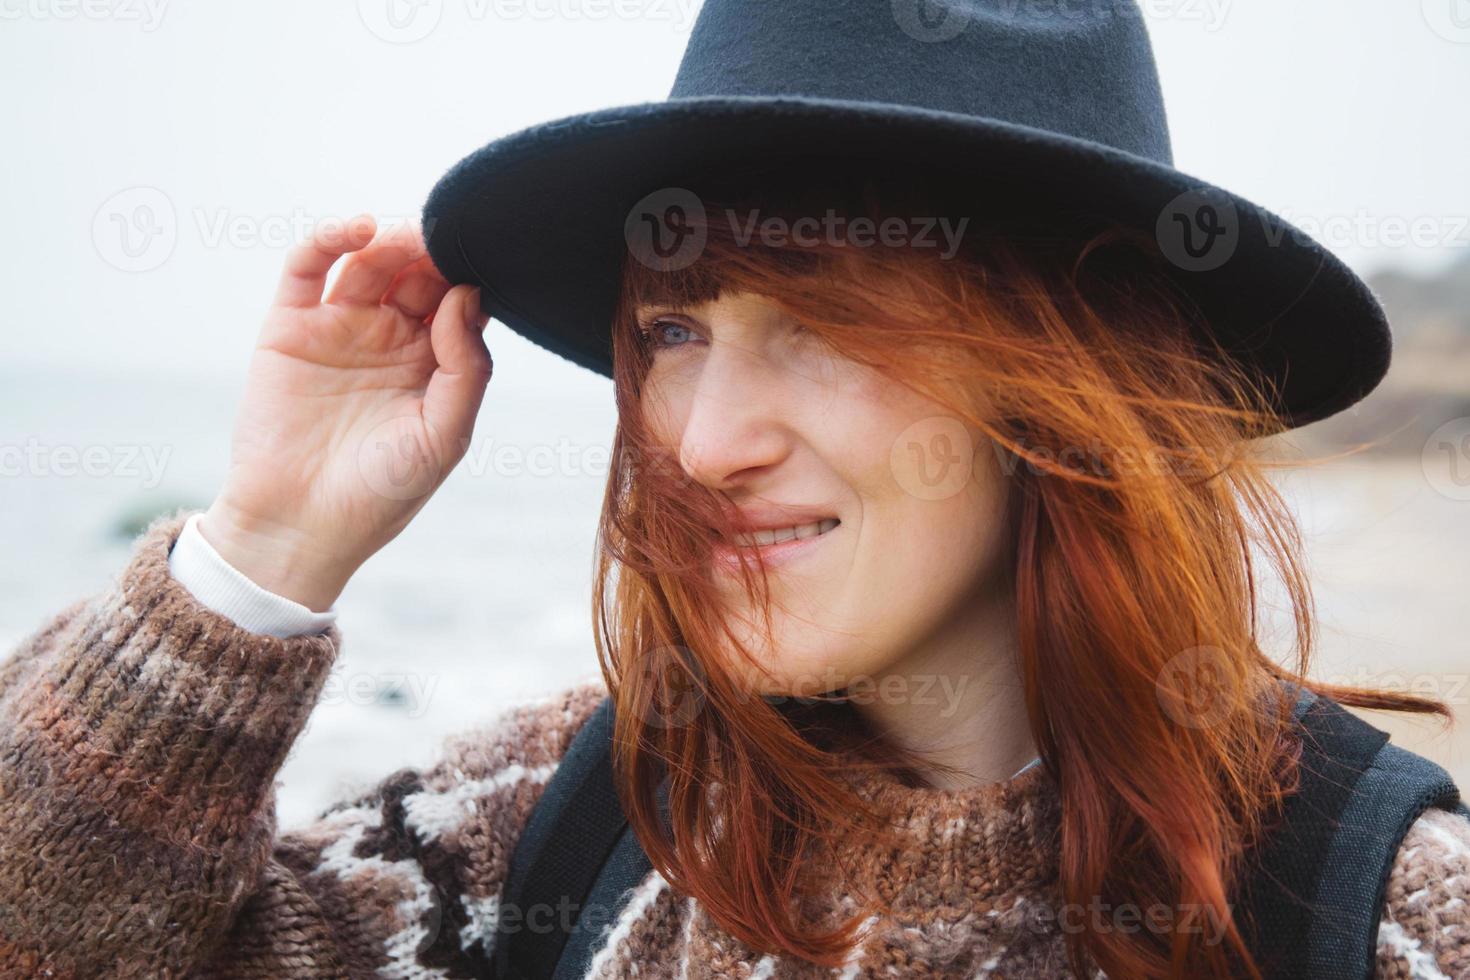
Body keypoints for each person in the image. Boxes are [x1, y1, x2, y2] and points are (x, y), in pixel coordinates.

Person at [5, 3, 1468, 979]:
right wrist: (264, 547)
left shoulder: (1376, 912)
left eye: (825, 331)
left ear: (1063, 382)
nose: (698, 446)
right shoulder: (552, 829)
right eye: (672, 332)